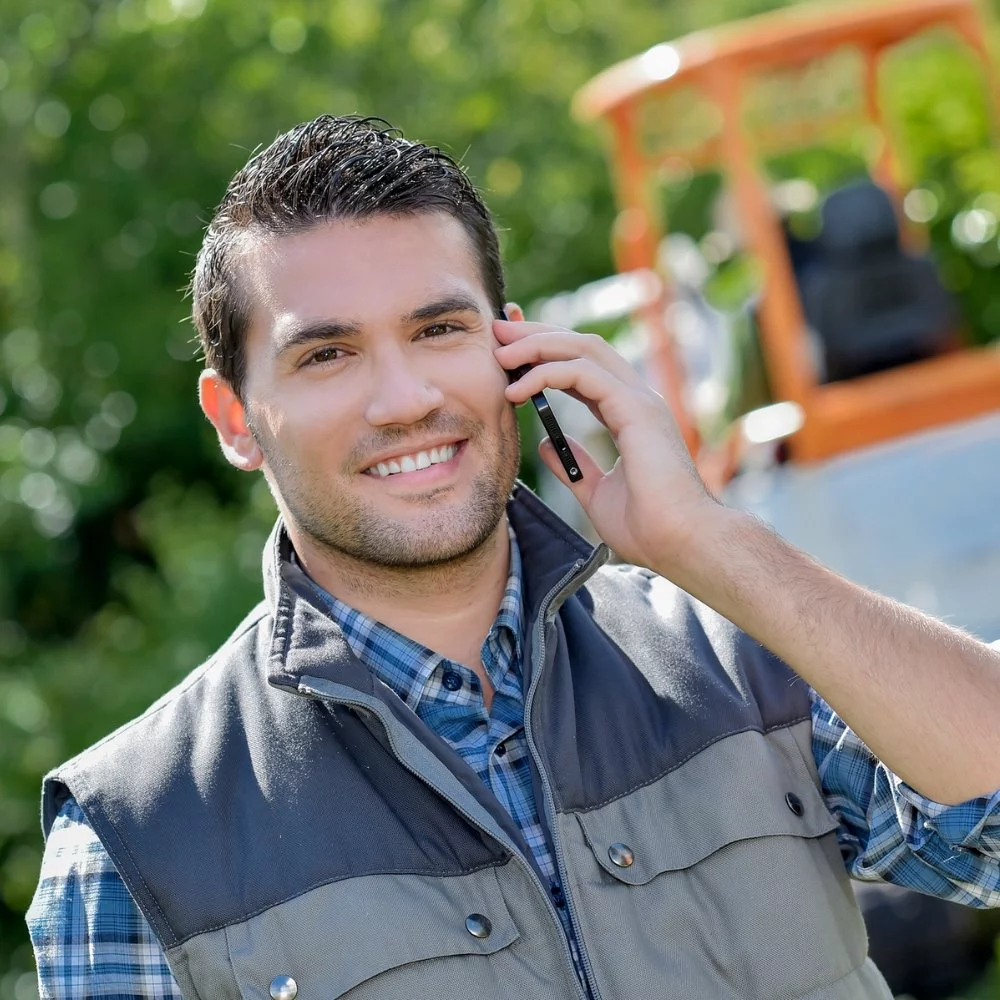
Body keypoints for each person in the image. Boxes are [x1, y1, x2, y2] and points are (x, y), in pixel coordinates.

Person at [27, 115, 1000, 1000]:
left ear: (519, 351)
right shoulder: (132, 845)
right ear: (236, 418)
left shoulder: (740, 653)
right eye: (327, 355)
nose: (405, 398)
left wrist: (711, 542)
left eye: (438, 330)